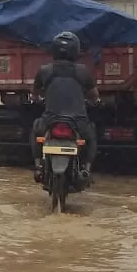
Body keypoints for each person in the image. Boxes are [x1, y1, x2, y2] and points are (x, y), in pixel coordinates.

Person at [32, 32, 101, 177]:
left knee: (35, 130)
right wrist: (94, 102)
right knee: (91, 135)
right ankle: (87, 169)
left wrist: (37, 99)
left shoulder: (44, 70)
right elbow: (94, 95)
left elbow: (35, 93)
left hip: (50, 121)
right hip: (78, 123)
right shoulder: (83, 71)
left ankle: (38, 166)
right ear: (76, 50)